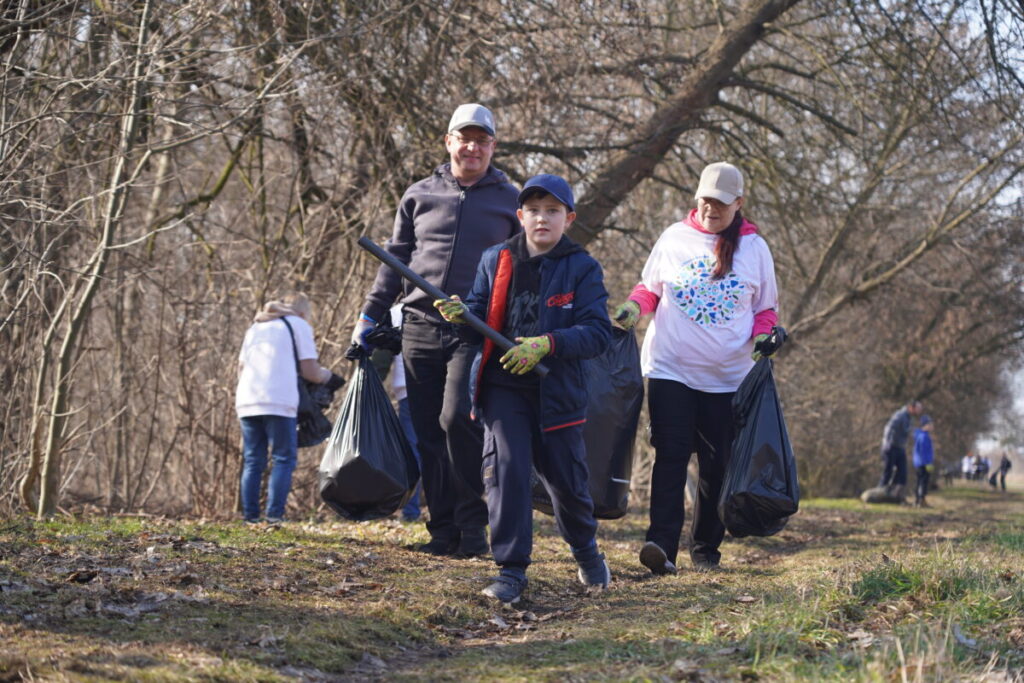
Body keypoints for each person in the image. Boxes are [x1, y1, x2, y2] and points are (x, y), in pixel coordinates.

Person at [434, 174, 613, 604]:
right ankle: (511, 569)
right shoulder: (495, 260)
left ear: (568, 218)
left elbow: (597, 333)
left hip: (558, 394)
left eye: (552, 211)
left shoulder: (582, 267)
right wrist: (459, 316)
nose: (542, 218)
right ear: (520, 216)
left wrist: (547, 344)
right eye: (533, 210)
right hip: (501, 388)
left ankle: (586, 551)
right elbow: (477, 317)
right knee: (507, 469)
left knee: (566, 484)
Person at [351, 104, 520, 557]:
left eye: (482, 140)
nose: (472, 147)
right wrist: (370, 316)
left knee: (456, 421)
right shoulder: (419, 194)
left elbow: (522, 268)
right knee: (427, 429)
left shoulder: (510, 200)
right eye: (464, 139)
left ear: (492, 147)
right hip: (419, 325)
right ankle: (441, 530)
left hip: (473, 329)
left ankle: (471, 529)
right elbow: (395, 258)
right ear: (448, 142)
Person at [612, 161, 780, 575]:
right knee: (669, 455)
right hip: (671, 368)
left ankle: (705, 548)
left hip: (727, 378)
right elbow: (649, 287)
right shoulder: (674, 238)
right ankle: (661, 545)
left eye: (721, 203)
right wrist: (635, 307)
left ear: (738, 203)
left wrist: (764, 337)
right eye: (705, 200)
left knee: (716, 463)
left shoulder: (755, 249)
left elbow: (766, 310)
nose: (711, 209)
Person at [236, 293, 345, 524]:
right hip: (279, 399)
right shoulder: (298, 325)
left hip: (247, 399)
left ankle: (250, 517)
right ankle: (274, 516)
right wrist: (331, 377)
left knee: (253, 459)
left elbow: (241, 368)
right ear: (303, 313)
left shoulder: (256, 326)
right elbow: (310, 372)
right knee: (283, 458)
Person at [879, 400, 925, 494]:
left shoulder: (910, 418)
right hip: (891, 446)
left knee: (902, 473)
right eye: (918, 409)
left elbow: (908, 431)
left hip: (900, 447)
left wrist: (919, 434)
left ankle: (896, 494)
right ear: (911, 407)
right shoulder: (900, 415)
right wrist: (887, 442)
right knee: (888, 471)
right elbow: (889, 427)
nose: (919, 411)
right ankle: (880, 492)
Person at [912, 415, 934, 507]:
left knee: (919, 481)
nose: (932, 426)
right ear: (925, 425)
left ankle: (918, 500)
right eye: (930, 424)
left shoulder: (920, 435)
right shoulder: (924, 437)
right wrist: (928, 463)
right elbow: (924, 451)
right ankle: (921, 500)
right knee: (923, 482)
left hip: (919, 463)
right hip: (923, 463)